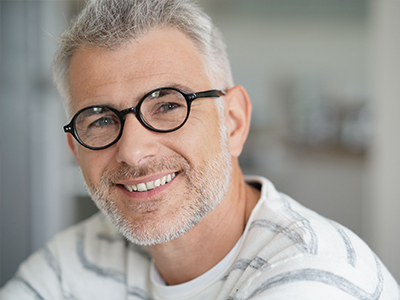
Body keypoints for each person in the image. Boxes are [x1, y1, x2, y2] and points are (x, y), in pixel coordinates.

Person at [1, 0, 399, 299]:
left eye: (168, 105)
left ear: (234, 121)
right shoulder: (80, 257)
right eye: (101, 119)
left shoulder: (311, 276)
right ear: (75, 149)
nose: (133, 152)